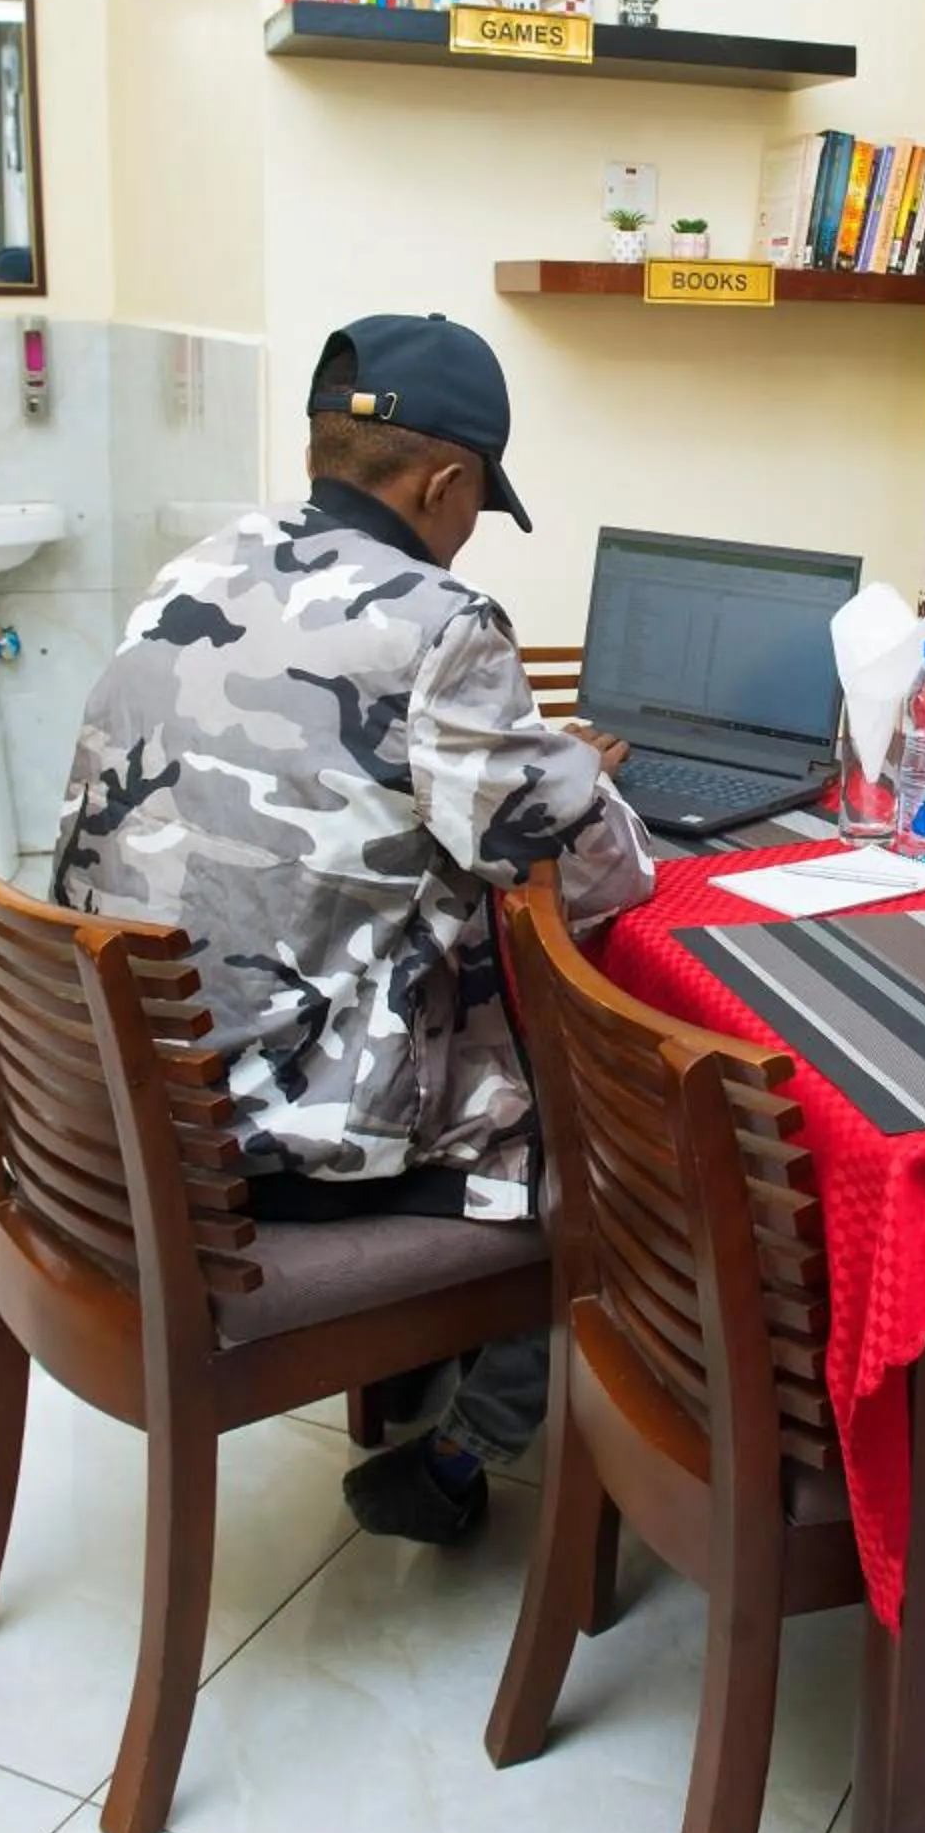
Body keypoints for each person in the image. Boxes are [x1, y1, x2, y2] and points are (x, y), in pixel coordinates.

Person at [52, 312, 656, 1543]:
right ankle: (465, 1454)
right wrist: (575, 775)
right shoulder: (441, 621)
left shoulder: (194, 572)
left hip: (119, 1109)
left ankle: (430, 1393)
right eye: (479, 500)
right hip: (261, 1152)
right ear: (444, 481)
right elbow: (591, 882)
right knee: (617, 1145)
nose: (473, 526)